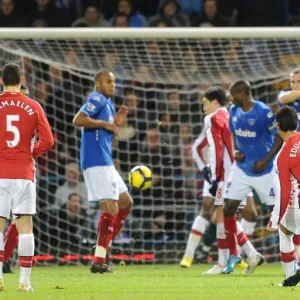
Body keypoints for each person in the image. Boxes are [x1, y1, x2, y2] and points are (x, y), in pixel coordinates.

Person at [180, 86, 259, 274]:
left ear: (215, 101)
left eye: (205, 104)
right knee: (225, 216)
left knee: (224, 216)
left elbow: (215, 149)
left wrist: (214, 176)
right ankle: (241, 257)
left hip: (228, 175)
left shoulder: (213, 118)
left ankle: (232, 259)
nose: (203, 109)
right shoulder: (233, 114)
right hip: (243, 171)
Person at [0, 63, 54, 291]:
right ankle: (24, 282)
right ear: (22, 79)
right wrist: (32, 151)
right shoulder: (33, 106)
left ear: (1, 80)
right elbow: (49, 141)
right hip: (24, 173)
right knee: (25, 226)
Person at [73, 70, 133, 273]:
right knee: (110, 209)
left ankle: (101, 247)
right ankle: (99, 260)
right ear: (97, 84)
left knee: (126, 202)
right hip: (96, 160)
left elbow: (105, 132)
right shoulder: (96, 98)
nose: (112, 85)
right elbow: (78, 119)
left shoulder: (108, 103)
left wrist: (116, 123)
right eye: (108, 81)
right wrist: (105, 123)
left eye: (114, 81)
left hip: (105, 161)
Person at [222, 80, 283, 274]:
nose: (230, 98)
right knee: (228, 208)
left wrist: (265, 161)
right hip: (240, 169)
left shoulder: (263, 111)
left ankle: (293, 257)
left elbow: (279, 137)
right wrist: (235, 150)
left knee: (278, 214)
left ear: (241, 94)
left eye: (232, 94)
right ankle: (240, 254)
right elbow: (233, 134)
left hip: (263, 171)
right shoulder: (233, 110)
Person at [267, 106, 300, 287]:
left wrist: (274, 219)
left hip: (297, 206)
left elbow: (285, 191)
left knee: (284, 231)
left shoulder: (283, 155)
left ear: (278, 127)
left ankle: (290, 278)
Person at [2, 84, 31, 274]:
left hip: (22, 169)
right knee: (21, 219)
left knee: (17, 218)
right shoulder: (32, 110)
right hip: (16, 169)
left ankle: (4, 259)